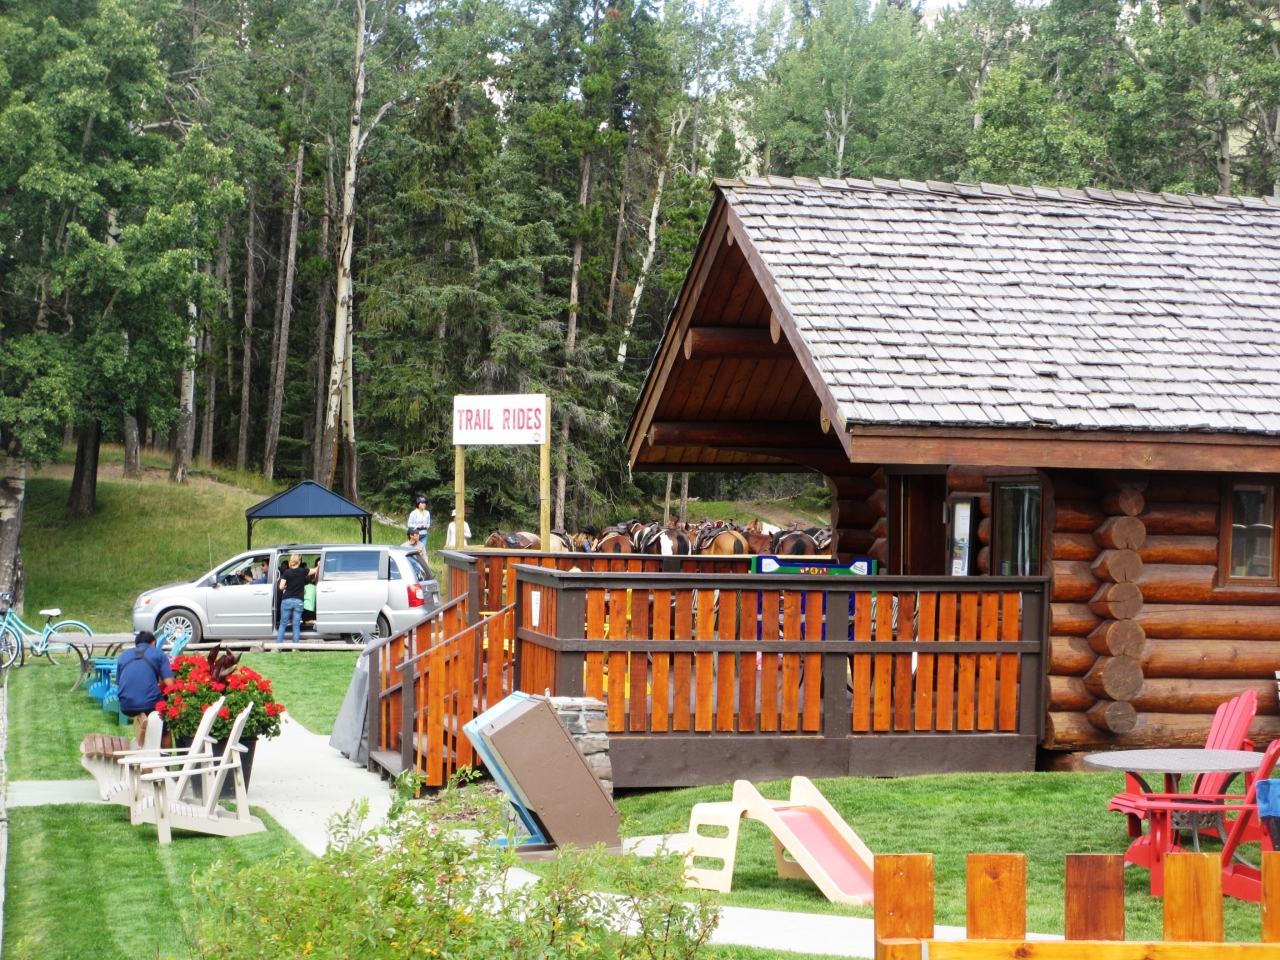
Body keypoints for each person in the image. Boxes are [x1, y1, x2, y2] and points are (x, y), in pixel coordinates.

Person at [116, 631, 174, 741]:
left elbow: (119, 682)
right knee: (165, 729)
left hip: (126, 705)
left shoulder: (123, 655)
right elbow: (169, 683)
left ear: (136, 644)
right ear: (153, 643)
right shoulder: (158, 654)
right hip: (149, 704)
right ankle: (165, 751)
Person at [276, 553, 310, 645]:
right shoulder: (303, 571)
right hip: (299, 601)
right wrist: (319, 565)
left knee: (283, 624)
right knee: (296, 625)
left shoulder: (287, 572)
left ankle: (278, 647)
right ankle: (295, 647)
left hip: (287, 600)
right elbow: (314, 570)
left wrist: (287, 587)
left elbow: (281, 586)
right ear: (299, 561)